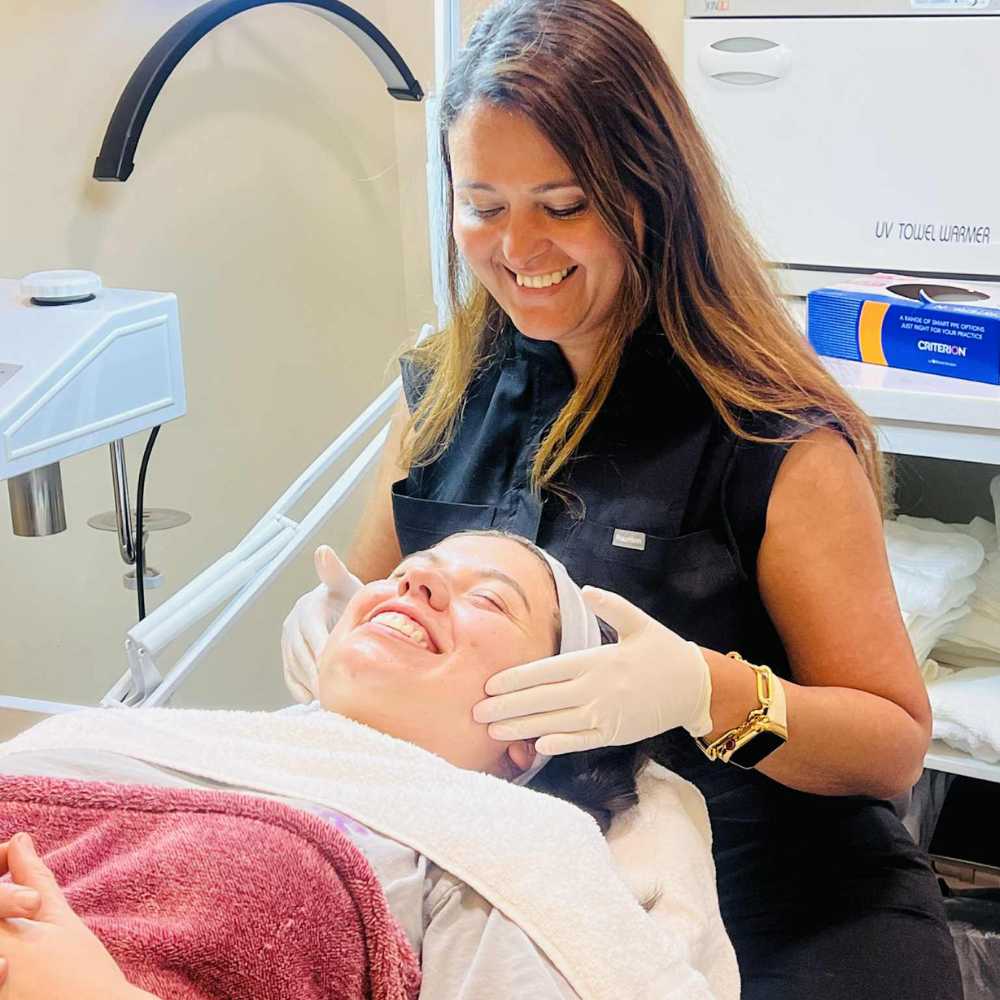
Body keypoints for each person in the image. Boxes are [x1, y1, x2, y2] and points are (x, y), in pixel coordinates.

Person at [280, 1, 963, 996]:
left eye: (561, 205)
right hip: (529, 893)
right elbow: (373, 600)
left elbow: (889, 747)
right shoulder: (442, 395)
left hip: (782, 898)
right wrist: (337, 636)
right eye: (481, 203)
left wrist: (705, 691)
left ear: (650, 191)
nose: (516, 246)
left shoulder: (766, 431)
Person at [2, 532, 725, 1000]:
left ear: (534, 733)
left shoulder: (506, 845)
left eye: (489, 600)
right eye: (412, 573)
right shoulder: (133, 740)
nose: (416, 587)